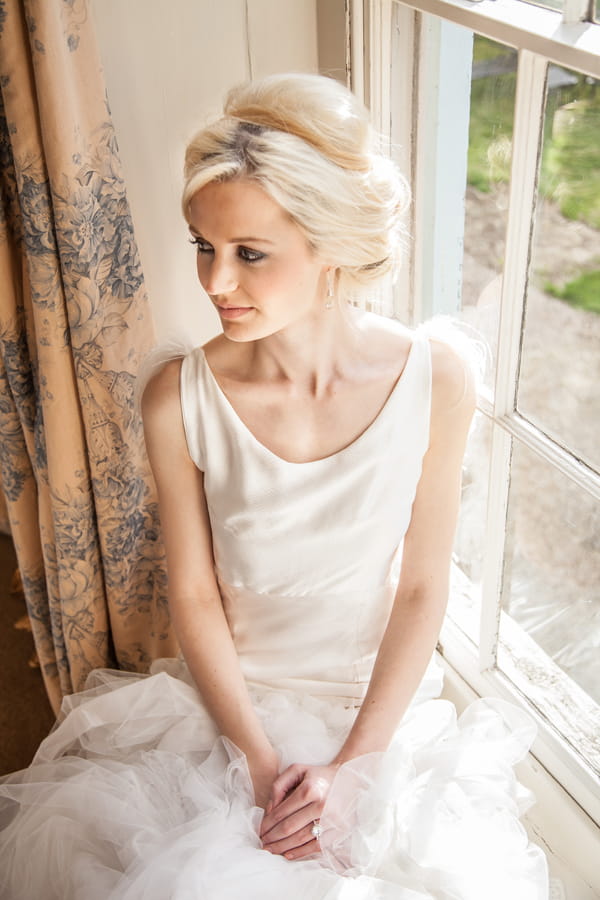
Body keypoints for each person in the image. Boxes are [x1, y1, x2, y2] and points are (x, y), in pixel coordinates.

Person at [0, 73, 549, 899]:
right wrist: (258, 765)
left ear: (329, 246)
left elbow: (423, 588)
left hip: (375, 715)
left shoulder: (435, 379)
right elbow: (193, 594)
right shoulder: (176, 398)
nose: (215, 283)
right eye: (202, 245)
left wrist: (355, 770)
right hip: (231, 717)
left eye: (250, 254)